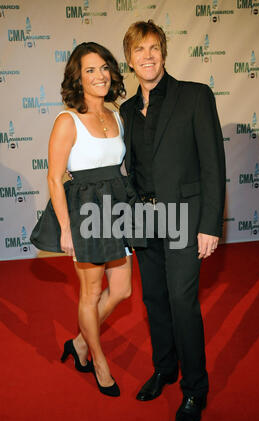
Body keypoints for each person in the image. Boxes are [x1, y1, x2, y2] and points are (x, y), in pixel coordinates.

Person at [120, 20, 226, 421]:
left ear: (164, 52)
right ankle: (165, 368)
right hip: (144, 218)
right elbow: (127, 170)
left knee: (183, 304)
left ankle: (195, 389)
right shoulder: (127, 111)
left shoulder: (195, 97)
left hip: (185, 218)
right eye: (139, 50)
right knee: (154, 301)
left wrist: (210, 224)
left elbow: (213, 164)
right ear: (129, 60)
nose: (147, 56)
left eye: (153, 48)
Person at [31, 42, 141, 397]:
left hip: (116, 206)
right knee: (91, 292)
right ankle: (97, 359)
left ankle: (78, 343)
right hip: (84, 210)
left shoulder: (116, 114)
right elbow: (54, 177)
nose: (100, 76)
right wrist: (66, 228)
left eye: (104, 68)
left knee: (122, 290)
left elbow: (121, 167)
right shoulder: (67, 120)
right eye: (90, 70)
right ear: (78, 78)